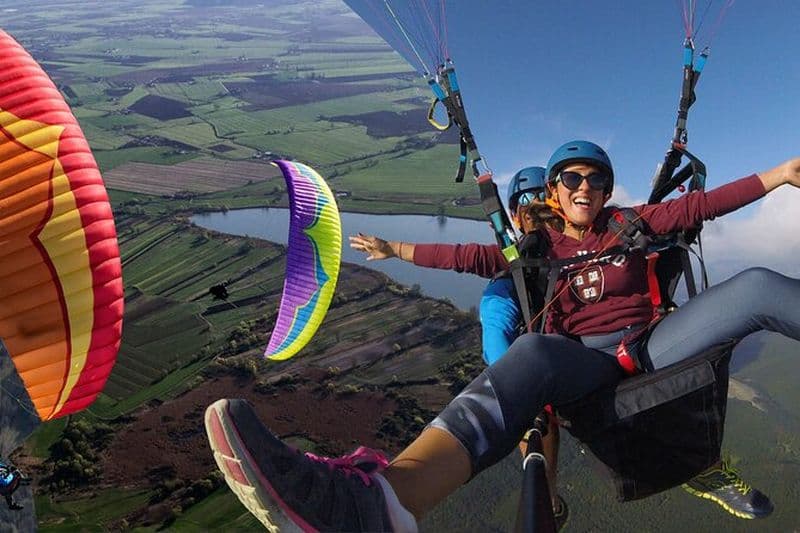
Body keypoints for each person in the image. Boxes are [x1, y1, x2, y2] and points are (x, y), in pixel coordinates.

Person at [205, 141, 800, 532]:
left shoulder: (632, 223)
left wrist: (778, 175)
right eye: (571, 178)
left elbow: (706, 204)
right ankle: (379, 504)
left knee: (755, 286)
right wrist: (395, 250)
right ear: (555, 191)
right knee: (532, 351)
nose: (584, 187)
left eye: (596, 178)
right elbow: (466, 255)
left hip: (650, 345)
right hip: (584, 366)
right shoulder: (536, 250)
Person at [348, 166, 567, 525]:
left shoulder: (564, 251)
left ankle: (376, 505)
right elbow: (458, 256)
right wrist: (395, 249)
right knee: (502, 330)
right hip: (531, 324)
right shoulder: (515, 262)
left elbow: (460, 257)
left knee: (517, 363)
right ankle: (546, 486)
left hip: (550, 329)